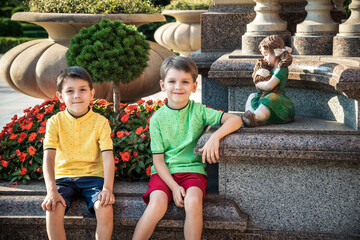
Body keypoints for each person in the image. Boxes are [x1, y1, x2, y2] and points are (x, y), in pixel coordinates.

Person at [132, 56, 243, 240]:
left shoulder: (199, 111)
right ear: (162, 85)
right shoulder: (157, 119)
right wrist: (174, 188)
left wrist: (214, 137)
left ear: (193, 86)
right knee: (156, 205)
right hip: (164, 173)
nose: (178, 87)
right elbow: (158, 161)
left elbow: (236, 119)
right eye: (172, 81)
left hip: (193, 171)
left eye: (185, 82)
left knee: (193, 202)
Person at [41, 66, 115, 240]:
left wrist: (107, 189)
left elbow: (108, 157)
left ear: (92, 93)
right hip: (63, 177)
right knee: (53, 208)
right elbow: (48, 158)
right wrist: (51, 190)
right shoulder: (54, 122)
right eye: (70, 91)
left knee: (104, 208)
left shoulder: (101, 122)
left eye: (83, 90)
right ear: (60, 96)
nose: (77, 95)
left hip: (94, 177)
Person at [242, 35, 295, 127]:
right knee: (252, 96)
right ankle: (249, 115)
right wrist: (257, 73)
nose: (264, 58)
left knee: (271, 98)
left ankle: (256, 118)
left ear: (276, 52)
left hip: (278, 102)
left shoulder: (281, 69)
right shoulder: (267, 66)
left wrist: (257, 82)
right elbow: (261, 89)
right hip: (264, 96)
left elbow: (268, 86)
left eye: (266, 55)